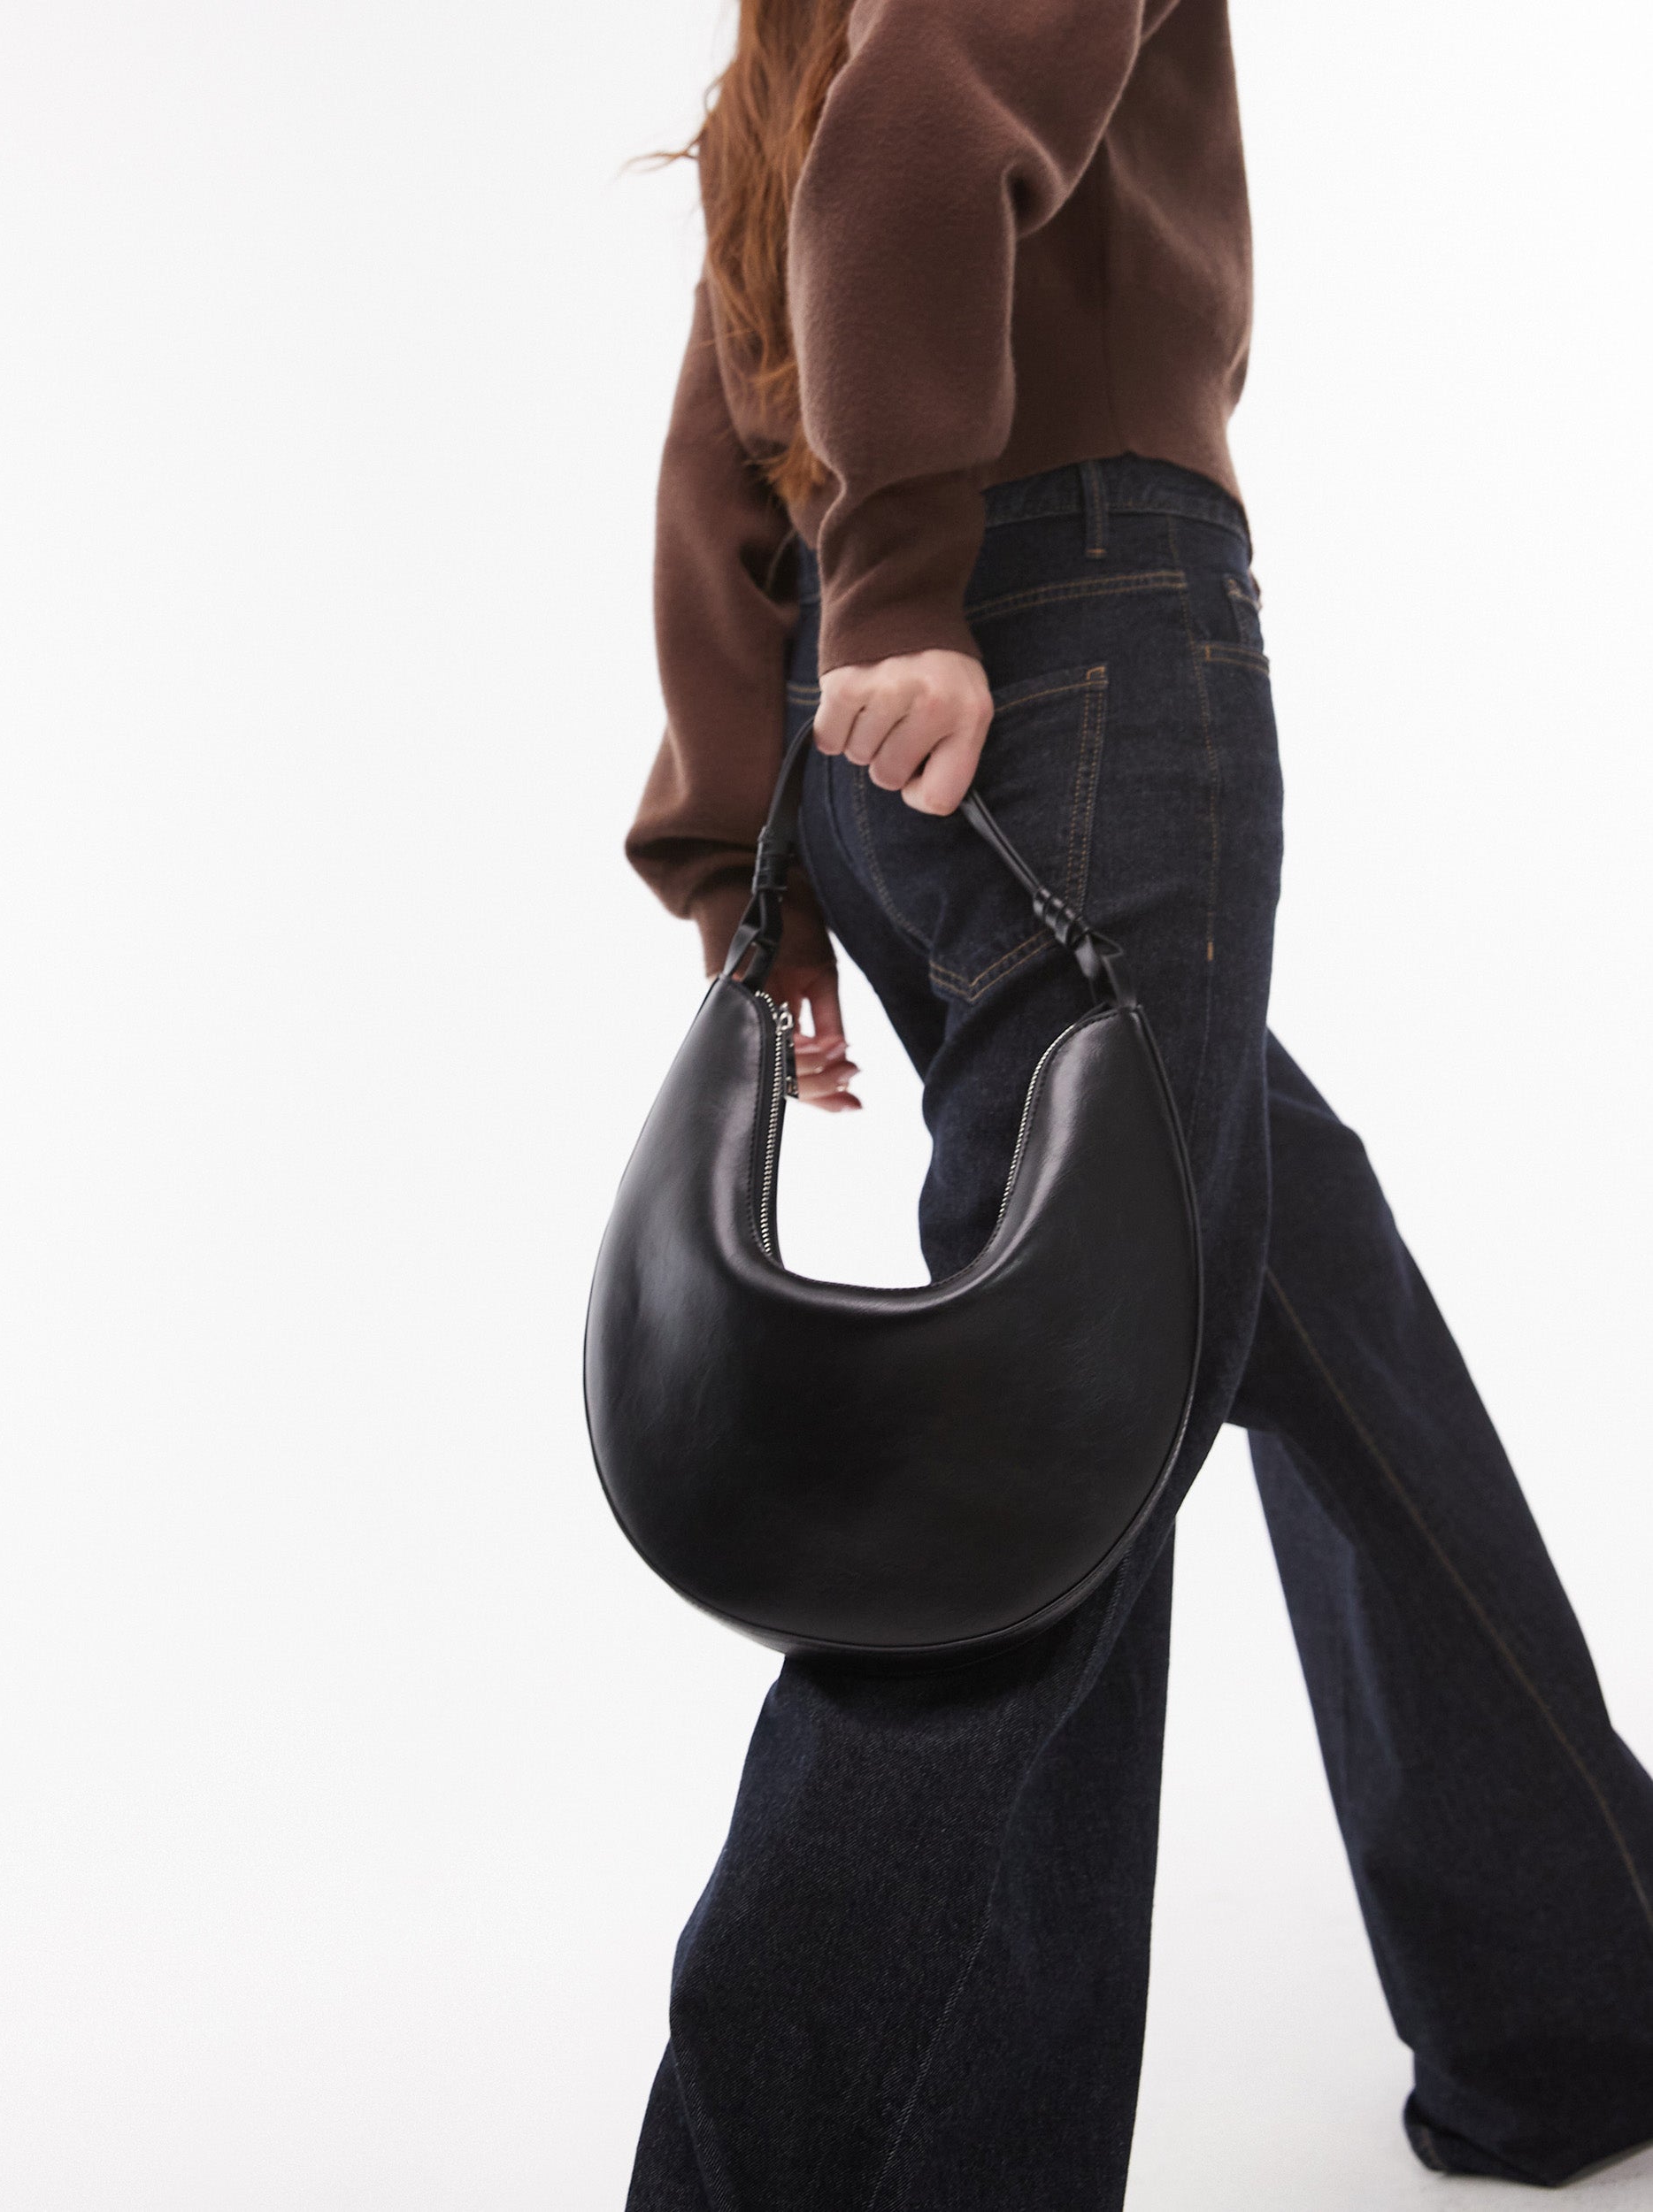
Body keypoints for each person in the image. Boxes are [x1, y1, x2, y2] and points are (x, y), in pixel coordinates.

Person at [620, 3, 1653, 2203]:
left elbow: (724, 433)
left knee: (1299, 1290)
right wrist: (908, 587)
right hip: (1047, 664)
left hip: (886, 724)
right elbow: (909, 147)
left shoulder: (779, 39)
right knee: (1026, 1471)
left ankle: (1574, 1997)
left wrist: (749, 858)